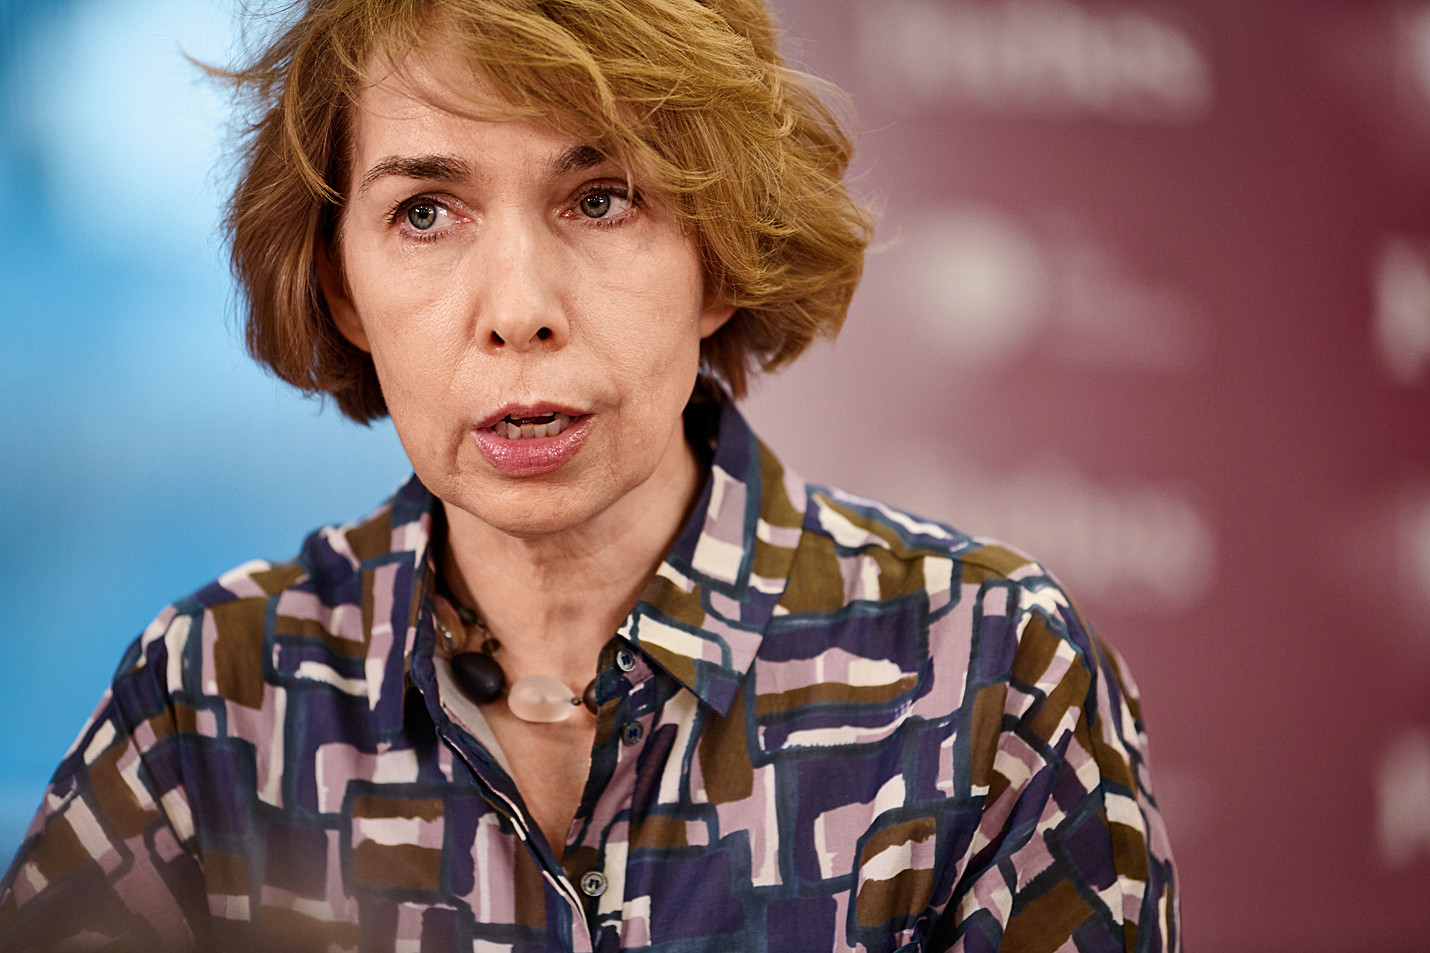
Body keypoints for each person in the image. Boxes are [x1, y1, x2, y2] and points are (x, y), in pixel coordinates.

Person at [0, 0, 1179, 950]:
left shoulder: (988, 672)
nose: (518, 309)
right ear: (341, 288)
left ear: (721, 253)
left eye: (601, 198)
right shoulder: (215, 694)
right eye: (425, 212)